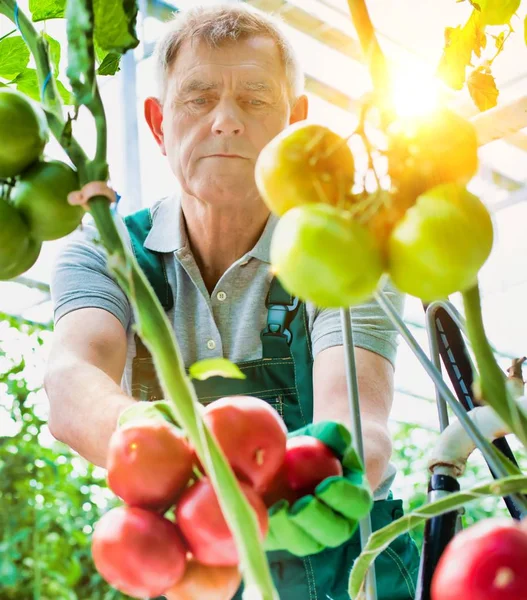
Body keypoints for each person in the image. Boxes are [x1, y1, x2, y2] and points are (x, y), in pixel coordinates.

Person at [45, 4, 419, 599]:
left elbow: (357, 413)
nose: (226, 121)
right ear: (158, 123)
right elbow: (72, 378)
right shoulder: (109, 252)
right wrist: (153, 440)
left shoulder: (345, 250)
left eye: (255, 99)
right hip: (198, 568)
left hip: (354, 571)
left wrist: (336, 463)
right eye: (197, 98)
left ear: (294, 121)